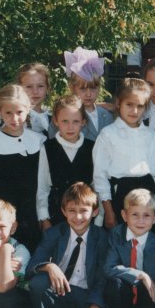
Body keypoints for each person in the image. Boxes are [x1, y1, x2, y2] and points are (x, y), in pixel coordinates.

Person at [27, 182, 128, 308]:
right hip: (59, 293)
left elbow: (102, 277)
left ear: (95, 212)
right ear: (64, 211)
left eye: (83, 211)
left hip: (86, 296)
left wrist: (95, 307)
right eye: (72, 211)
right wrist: (49, 266)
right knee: (38, 282)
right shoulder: (54, 233)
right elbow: (32, 265)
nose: (78, 217)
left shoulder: (102, 238)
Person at [0, 84, 46, 252]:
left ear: (28, 109)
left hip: (33, 215)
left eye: (19, 112)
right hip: (3, 221)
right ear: (0, 111)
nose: (15, 118)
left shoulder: (39, 141)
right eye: (8, 113)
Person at [92, 78, 155, 229]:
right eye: (129, 104)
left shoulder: (151, 135)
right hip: (120, 194)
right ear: (118, 103)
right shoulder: (108, 135)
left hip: (147, 194)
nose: (134, 111)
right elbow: (100, 175)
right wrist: (108, 210)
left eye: (140, 106)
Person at [37, 94, 94, 229]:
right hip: (56, 214)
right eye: (65, 121)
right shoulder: (48, 148)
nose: (70, 127)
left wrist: (99, 218)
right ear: (56, 121)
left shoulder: (92, 147)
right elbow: (42, 187)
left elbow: (96, 185)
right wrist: (44, 218)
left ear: (83, 121)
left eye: (75, 121)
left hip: (86, 215)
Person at [65, 46, 114, 141]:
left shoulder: (107, 115)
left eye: (93, 88)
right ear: (72, 87)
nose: (88, 94)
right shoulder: (66, 115)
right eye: (83, 89)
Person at [17, 62, 52, 137]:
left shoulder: (54, 118)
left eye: (40, 86)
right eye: (29, 86)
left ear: (47, 89)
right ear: (19, 88)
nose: (35, 91)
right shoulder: (15, 118)